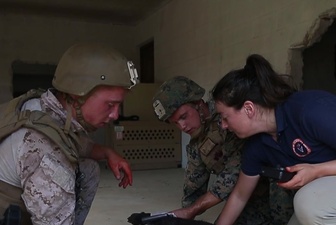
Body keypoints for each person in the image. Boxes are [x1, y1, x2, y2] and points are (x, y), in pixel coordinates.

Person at [212, 54, 336, 225]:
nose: (223, 125)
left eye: (225, 117)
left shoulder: (311, 110)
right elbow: (239, 196)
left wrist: (317, 170)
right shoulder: (257, 144)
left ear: (248, 108)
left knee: (309, 203)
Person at [0, 43, 139, 225]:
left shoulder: (43, 107)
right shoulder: (46, 151)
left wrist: (107, 152)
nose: (115, 115)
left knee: (88, 169)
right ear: (76, 96)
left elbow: (75, 143)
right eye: (110, 105)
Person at [152, 76, 294, 225]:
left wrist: (191, 210)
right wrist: (179, 219)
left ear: (198, 104)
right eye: (175, 123)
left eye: (184, 116)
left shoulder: (228, 116)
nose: (182, 126)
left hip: (278, 183)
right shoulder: (196, 143)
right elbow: (193, 189)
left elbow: (234, 173)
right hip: (248, 196)